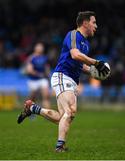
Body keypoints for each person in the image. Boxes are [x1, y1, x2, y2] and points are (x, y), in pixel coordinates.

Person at [17, 11, 110, 152]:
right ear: (85, 23)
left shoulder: (86, 44)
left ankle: (33, 109)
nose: (96, 26)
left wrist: (93, 71)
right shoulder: (73, 35)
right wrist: (97, 63)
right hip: (62, 76)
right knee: (70, 111)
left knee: (63, 117)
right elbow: (75, 54)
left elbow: (80, 64)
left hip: (72, 80)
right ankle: (59, 146)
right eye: (94, 22)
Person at [25, 42, 50, 109]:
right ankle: (29, 110)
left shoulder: (44, 58)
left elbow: (46, 68)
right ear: (35, 48)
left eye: (41, 47)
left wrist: (48, 75)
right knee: (32, 98)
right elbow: (29, 70)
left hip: (42, 79)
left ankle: (48, 113)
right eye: (39, 47)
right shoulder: (31, 58)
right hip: (33, 80)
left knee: (46, 95)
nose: (40, 48)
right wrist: (39, 74)